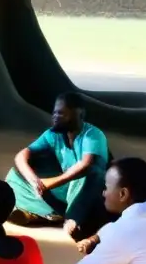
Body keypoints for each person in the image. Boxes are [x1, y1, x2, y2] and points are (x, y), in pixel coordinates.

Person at [6, 92, 109, 241]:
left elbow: (85, 165)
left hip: (88, 193)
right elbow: (21, 155)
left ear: (79, 114)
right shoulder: (53, 135)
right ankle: (49, 214)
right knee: (14, 176)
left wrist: (49, 184)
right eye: (54, 113)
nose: (55, 117)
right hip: (64, 192)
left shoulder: (93, 135)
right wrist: (34, 180)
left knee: (93, 173)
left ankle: (72, 218)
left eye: (61, 113)